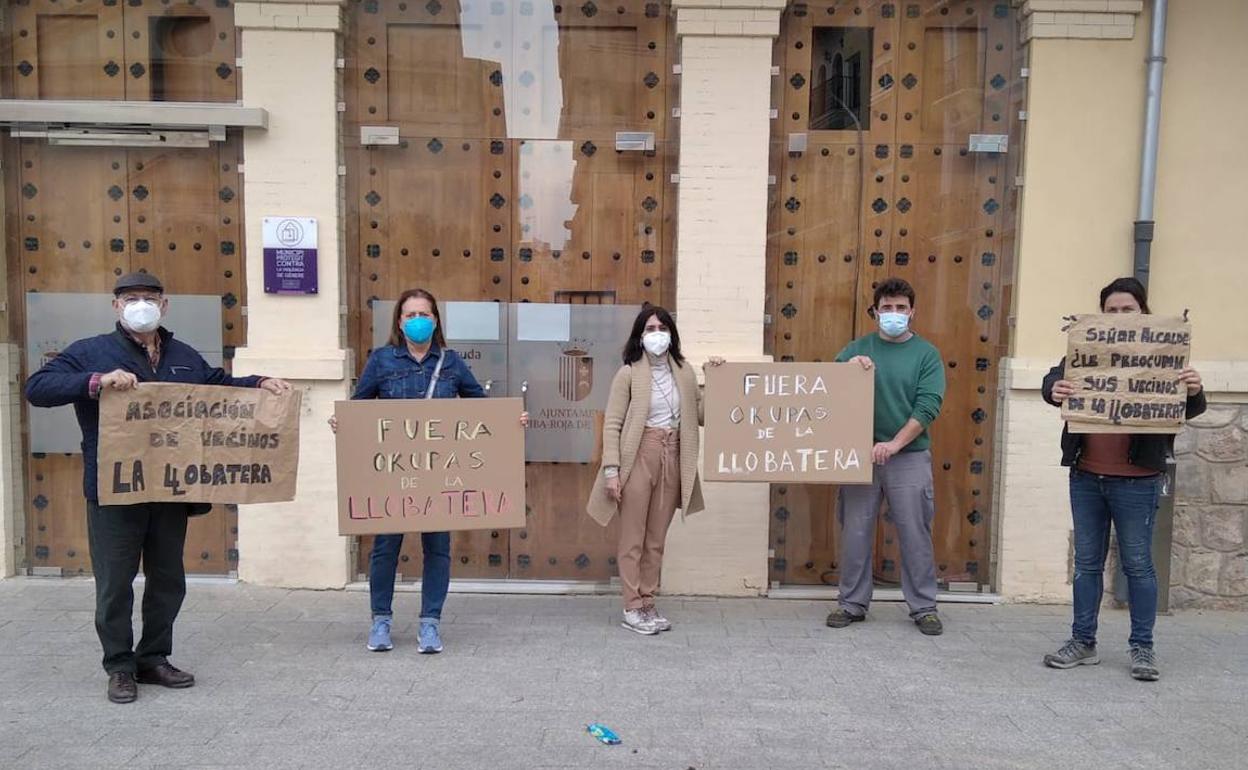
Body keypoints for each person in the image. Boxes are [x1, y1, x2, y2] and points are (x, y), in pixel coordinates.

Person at [24, 272, 292, 704]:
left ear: (164, 306)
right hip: (115, 489)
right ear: (116, 306)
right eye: (132, 298)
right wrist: (95, 382)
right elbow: (37, 388)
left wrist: (258, 382)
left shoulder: (183, 354)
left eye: (149, 298)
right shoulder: (91, 352)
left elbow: (216, 387)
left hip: (169, 489)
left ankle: (153, 658)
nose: (141, 305)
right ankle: (119, 666)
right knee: (115, 582)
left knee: (168, 580)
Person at [329, 288, 527, 654]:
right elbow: (359, 408)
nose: (417, 321)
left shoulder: (450, 363)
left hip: (439, 477)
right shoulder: (382, 361)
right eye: (409, 315)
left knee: (438, 548)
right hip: (392, 475)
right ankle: (381, 622)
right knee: (385, 548)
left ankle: (430, 624)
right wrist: (343, 424)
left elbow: (480, 410)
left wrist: (511, 422)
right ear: (399, 322)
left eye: (424, 314)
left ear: (435, 320)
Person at [1040, 276, 1205, 681]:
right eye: (1111, 310)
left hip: (1138, 479)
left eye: (1126, 309)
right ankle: (1083, 642)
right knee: (1087, 564)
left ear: (1143, 313)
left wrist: (1195, 389)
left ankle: (1143, 649)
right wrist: (1052, 388)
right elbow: (1052, 380)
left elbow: (1190, 408)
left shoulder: (1166, 354)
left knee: (1138, 565)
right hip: (1086, 476)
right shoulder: (1086, 348)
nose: (1119, 316)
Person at [587, 305, 722, 635]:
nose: (657, 334)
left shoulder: (685, 372)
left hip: (673, 454)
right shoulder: (629, 373)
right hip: (639, 454)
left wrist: (716, 378)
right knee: (633, 537)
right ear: (640, 335)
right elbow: (613, 425)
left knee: (656, 538)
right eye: (650, 329)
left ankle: (648, 601)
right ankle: (632, 606)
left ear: (671, 334)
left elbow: (701, 415)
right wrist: (612, 470)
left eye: (662, 327)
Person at [825, 277, 946, 636]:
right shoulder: (856, 349)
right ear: (875, 311)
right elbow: (826, 394)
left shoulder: (927, 354)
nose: (894, 314)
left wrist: (894, 444)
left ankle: (924, 606)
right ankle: (851, 604)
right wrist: (848, 372)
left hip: (908, 456)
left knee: (914, 532)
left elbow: (928, 405)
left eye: (901, 308)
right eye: (887, 308)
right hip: (860, 456)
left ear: (912, 312)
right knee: (856, 532)